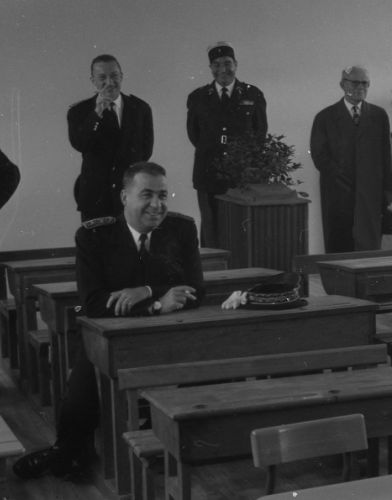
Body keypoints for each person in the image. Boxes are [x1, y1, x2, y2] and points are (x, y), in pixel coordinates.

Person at [13, 162, 204, 480]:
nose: (157, 205)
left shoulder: (181, 229)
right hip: (109, 335)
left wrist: (145, 291)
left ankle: (158, 443)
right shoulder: (94, 235)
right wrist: (158, 303)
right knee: (81, 393)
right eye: (146, 195)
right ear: (125, 197)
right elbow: (93, 303)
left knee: (205, 372)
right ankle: (69, 450)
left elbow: (196, 289)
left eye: (162, 195)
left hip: (167, 335)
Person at [187, 41, 268, 247]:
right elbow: (194, 135)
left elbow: (260, 133)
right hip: (209, 173)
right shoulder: (198, 97)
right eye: (216, 64)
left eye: (227, 63)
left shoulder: (253, 94)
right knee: (211, 230)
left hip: (242, 175)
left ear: (236, 64)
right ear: (210, 68)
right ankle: (213, 266)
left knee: (242, 229)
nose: (223, 69)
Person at [310, 65, 392, 252]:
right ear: (342, 85)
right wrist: (343, 179)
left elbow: (385, 155)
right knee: (339, 246)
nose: (360, 87)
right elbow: (319, 156)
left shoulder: (379, 115)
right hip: (338, 195)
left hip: (370, 194)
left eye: (365, 83)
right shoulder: (325, 117)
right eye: (355, 83)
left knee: (369, 247)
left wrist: (389, 189)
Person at [68, 54, 154, 221]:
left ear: (121, 76)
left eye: (114, 76)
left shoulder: (140, 109)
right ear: (93, 80)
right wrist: (96, 114)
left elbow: (145, 152)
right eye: (102, 78)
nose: (109, 82)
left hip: (131, 195)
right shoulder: (79, 111)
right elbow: (80, 144)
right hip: (96, 197)